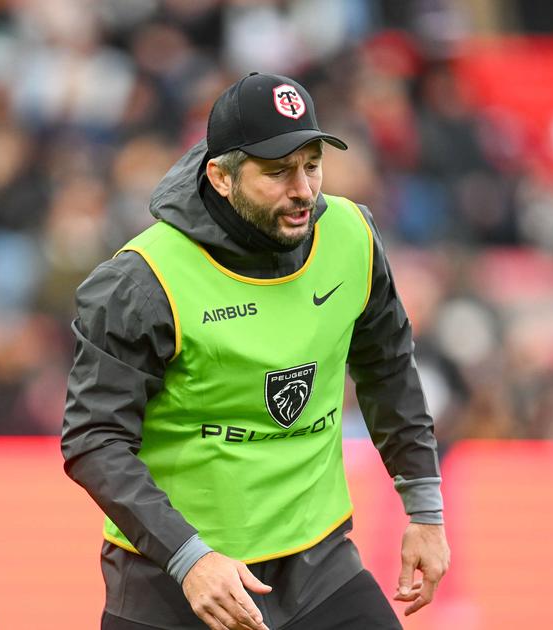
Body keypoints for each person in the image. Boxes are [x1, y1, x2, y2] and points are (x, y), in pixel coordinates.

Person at [62, 72, 450, 630]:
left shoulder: (353, 235)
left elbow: (388, 367)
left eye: (312, 164)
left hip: (319, 567)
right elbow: (93, 439)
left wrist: (424, 510)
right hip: (177, 586)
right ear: (220, 176)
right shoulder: (142, 280)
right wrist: (189, 559)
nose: (304, 190)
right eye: (277, 172)